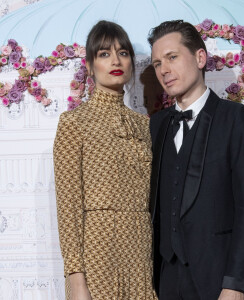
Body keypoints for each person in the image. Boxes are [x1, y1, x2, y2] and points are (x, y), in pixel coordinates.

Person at [148, 20, 244, 300]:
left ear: (200, 57)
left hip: (220, 280)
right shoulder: (156, 125)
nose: (164, 70)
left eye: (172, 57)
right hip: (165, 280)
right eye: (156, 64)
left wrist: (236, 283)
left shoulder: (237, 119)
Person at [53, 20, 157, 300]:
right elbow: (68, 206)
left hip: (140, 252)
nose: (116, 60)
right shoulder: (74, 123)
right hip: (97, 255)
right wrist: (76, 279)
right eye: (104, 53)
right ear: (89, 66)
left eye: (123, 53)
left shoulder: (145, 126)